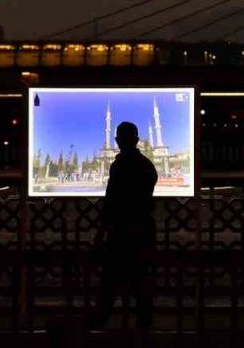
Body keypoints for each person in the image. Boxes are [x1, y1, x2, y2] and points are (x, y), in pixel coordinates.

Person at [91, 121, 158, 330]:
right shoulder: (147, 166)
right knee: (140, 282)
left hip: (121, 233)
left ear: (118, 141)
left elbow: (111, 202)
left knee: (110, 281)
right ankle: (144, 326)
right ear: (136, 141)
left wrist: (101, 232)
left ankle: (100, 320)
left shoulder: (119, 166)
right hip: (142, 231)